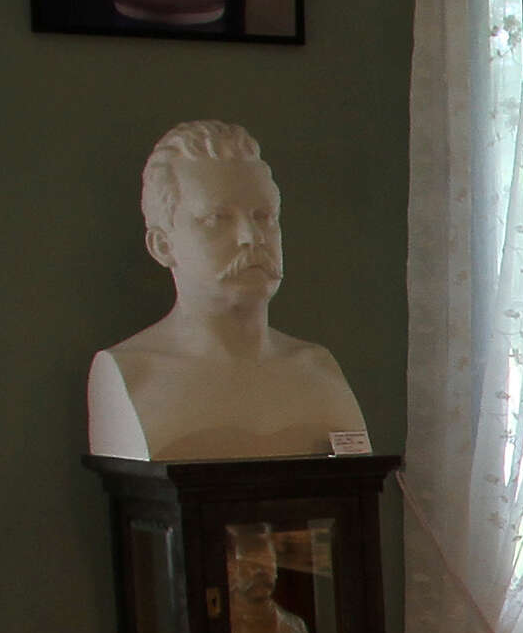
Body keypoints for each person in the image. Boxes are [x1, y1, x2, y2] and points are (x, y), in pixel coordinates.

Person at [88, 120, 371, 461]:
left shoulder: (319, 371)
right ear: (162, 245)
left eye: (264, 216)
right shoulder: (133, 375)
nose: (252, 237)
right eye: (217, 218)